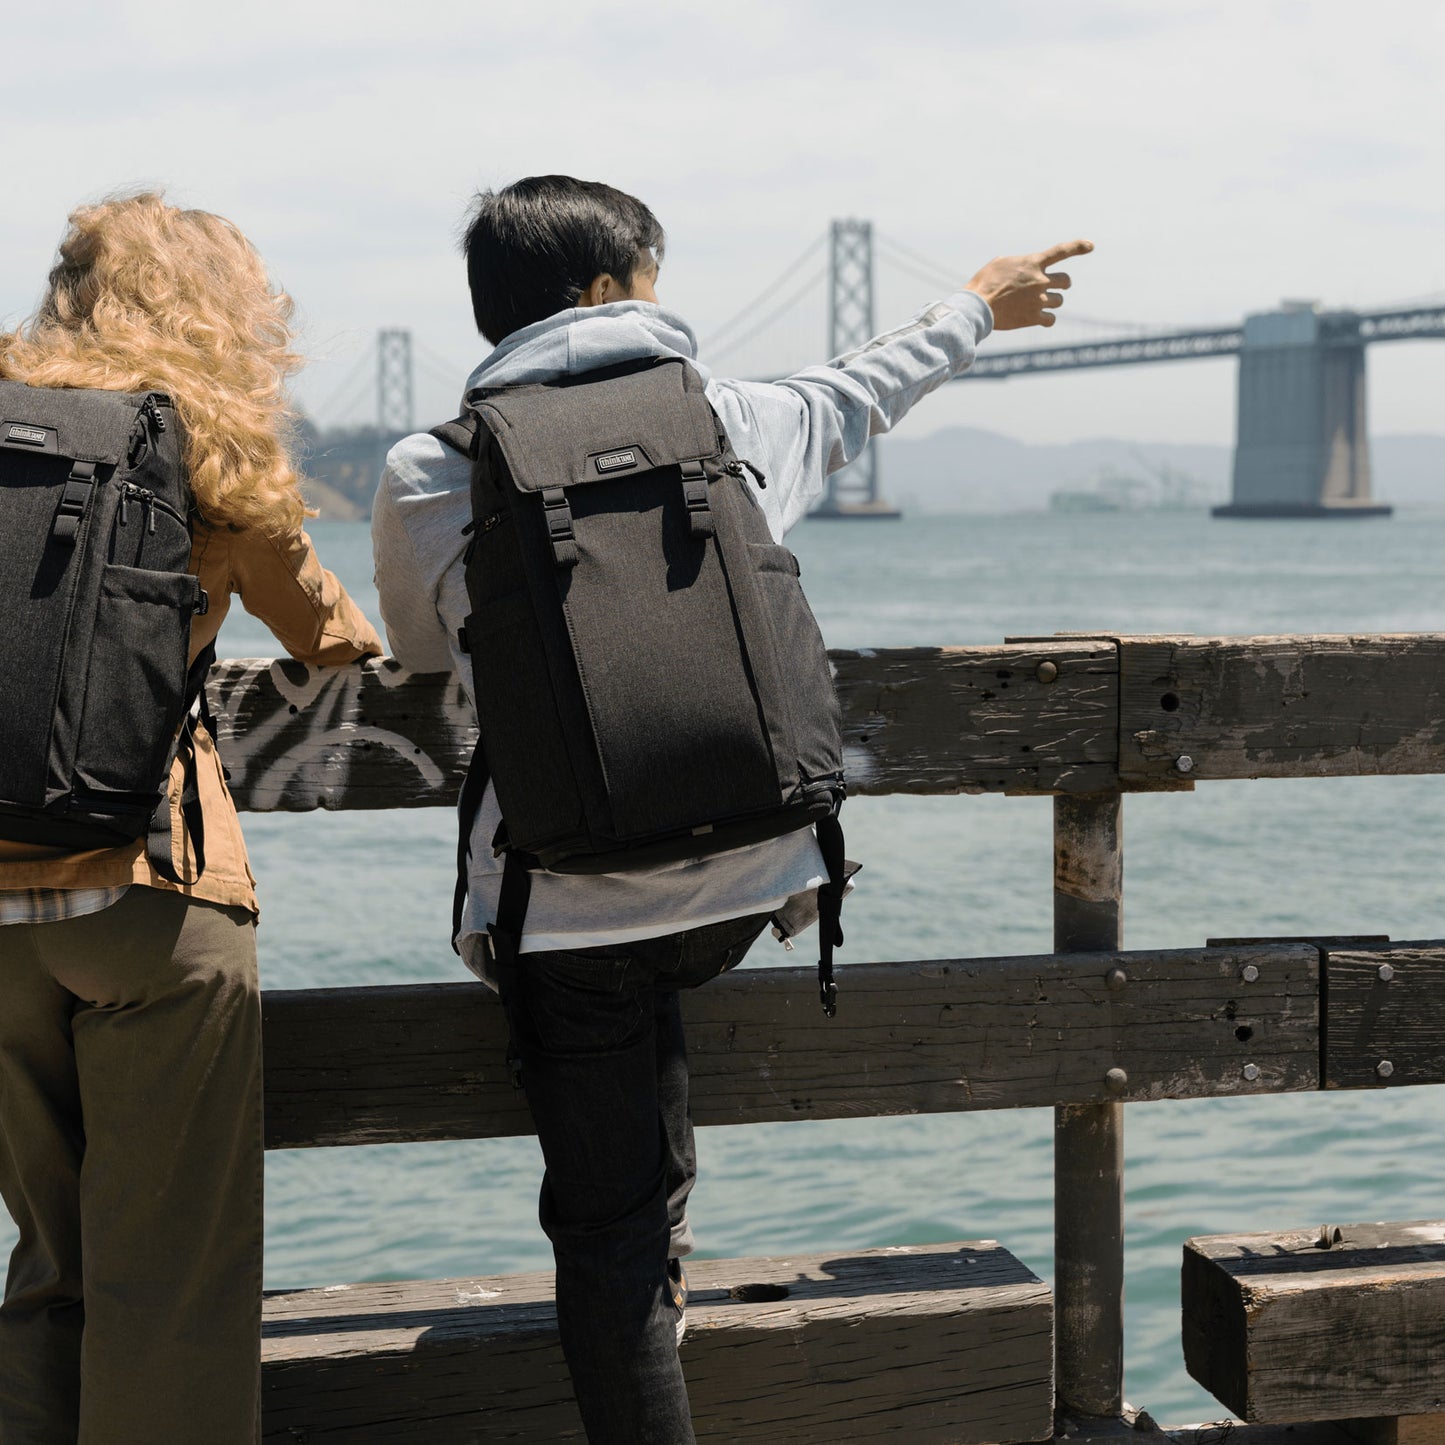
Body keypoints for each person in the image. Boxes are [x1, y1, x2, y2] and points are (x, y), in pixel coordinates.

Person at [371, 173, 1090, 1444]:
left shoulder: (433, 465)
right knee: (655, 1075)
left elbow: (421, 650)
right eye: (653, 275)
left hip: (561, 910)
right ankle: (672, 1209)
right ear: (605, 291)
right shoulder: (733, 417)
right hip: (757, 881)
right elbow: (873, 384)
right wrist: (978, 303)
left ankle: (651, 1261)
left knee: (609, 1230)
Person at [0, 193, 383, 1445]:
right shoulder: (204, 445)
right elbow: (333, 639)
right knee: (170, 1281)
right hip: (153, 895)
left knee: (48, 1260)